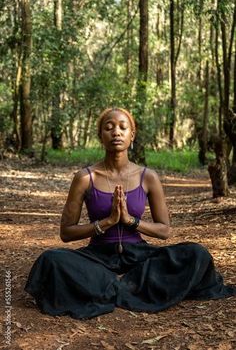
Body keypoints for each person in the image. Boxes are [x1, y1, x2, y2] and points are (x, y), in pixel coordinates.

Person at [24, 107, 236, 319]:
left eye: (122, 127)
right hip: (98, 257)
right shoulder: (85, 178)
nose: (116, 132)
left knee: (196, 253)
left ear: (131, 135)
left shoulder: (147, 177)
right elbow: (66, 232)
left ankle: (110, 286)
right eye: (109, 128)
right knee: (50, 259)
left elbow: (164, 230)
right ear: (101, 136)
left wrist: (130, 221)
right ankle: (128, 286)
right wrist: (107, 222)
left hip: (139, 257)